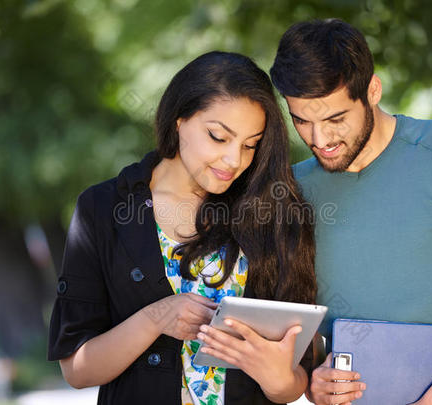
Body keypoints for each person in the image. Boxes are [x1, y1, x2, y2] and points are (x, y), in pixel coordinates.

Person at [269, 18, 432, 405]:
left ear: (373, 90)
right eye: (301, 121)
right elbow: (299, 332)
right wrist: (314, 379)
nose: (319, 139)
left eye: (335, 119)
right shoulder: (292, 191)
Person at [47, 51, 318, 405]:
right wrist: (155, 319)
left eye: (250, 145)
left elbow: (293, 384)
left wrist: (277, 376)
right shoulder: (102, 209)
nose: (234, 160)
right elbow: (77, 370)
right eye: (219, 137)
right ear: (179, 119)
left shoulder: (271, 212)